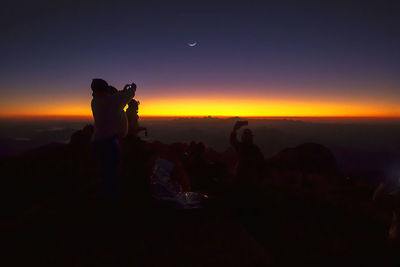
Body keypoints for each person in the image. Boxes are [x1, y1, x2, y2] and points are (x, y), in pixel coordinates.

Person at [91, 78, 136, 200]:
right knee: (111, 170)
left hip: (99, 140)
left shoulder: (95, 102)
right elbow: (128, 96)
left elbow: (116, 100)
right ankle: (111, 199)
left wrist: (121, 92)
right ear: (105, 89)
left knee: (105, 169)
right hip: (110, 142)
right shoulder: (112, 101)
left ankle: (105, 193)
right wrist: (132, 88)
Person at [230, 121, 265, 190]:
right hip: (246, 176)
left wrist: (234, 129)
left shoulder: (245, 147)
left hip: (244, 176)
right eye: (246, 135)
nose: (246, 137)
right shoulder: (253, 148)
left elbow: (233, 141)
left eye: (247, 135)